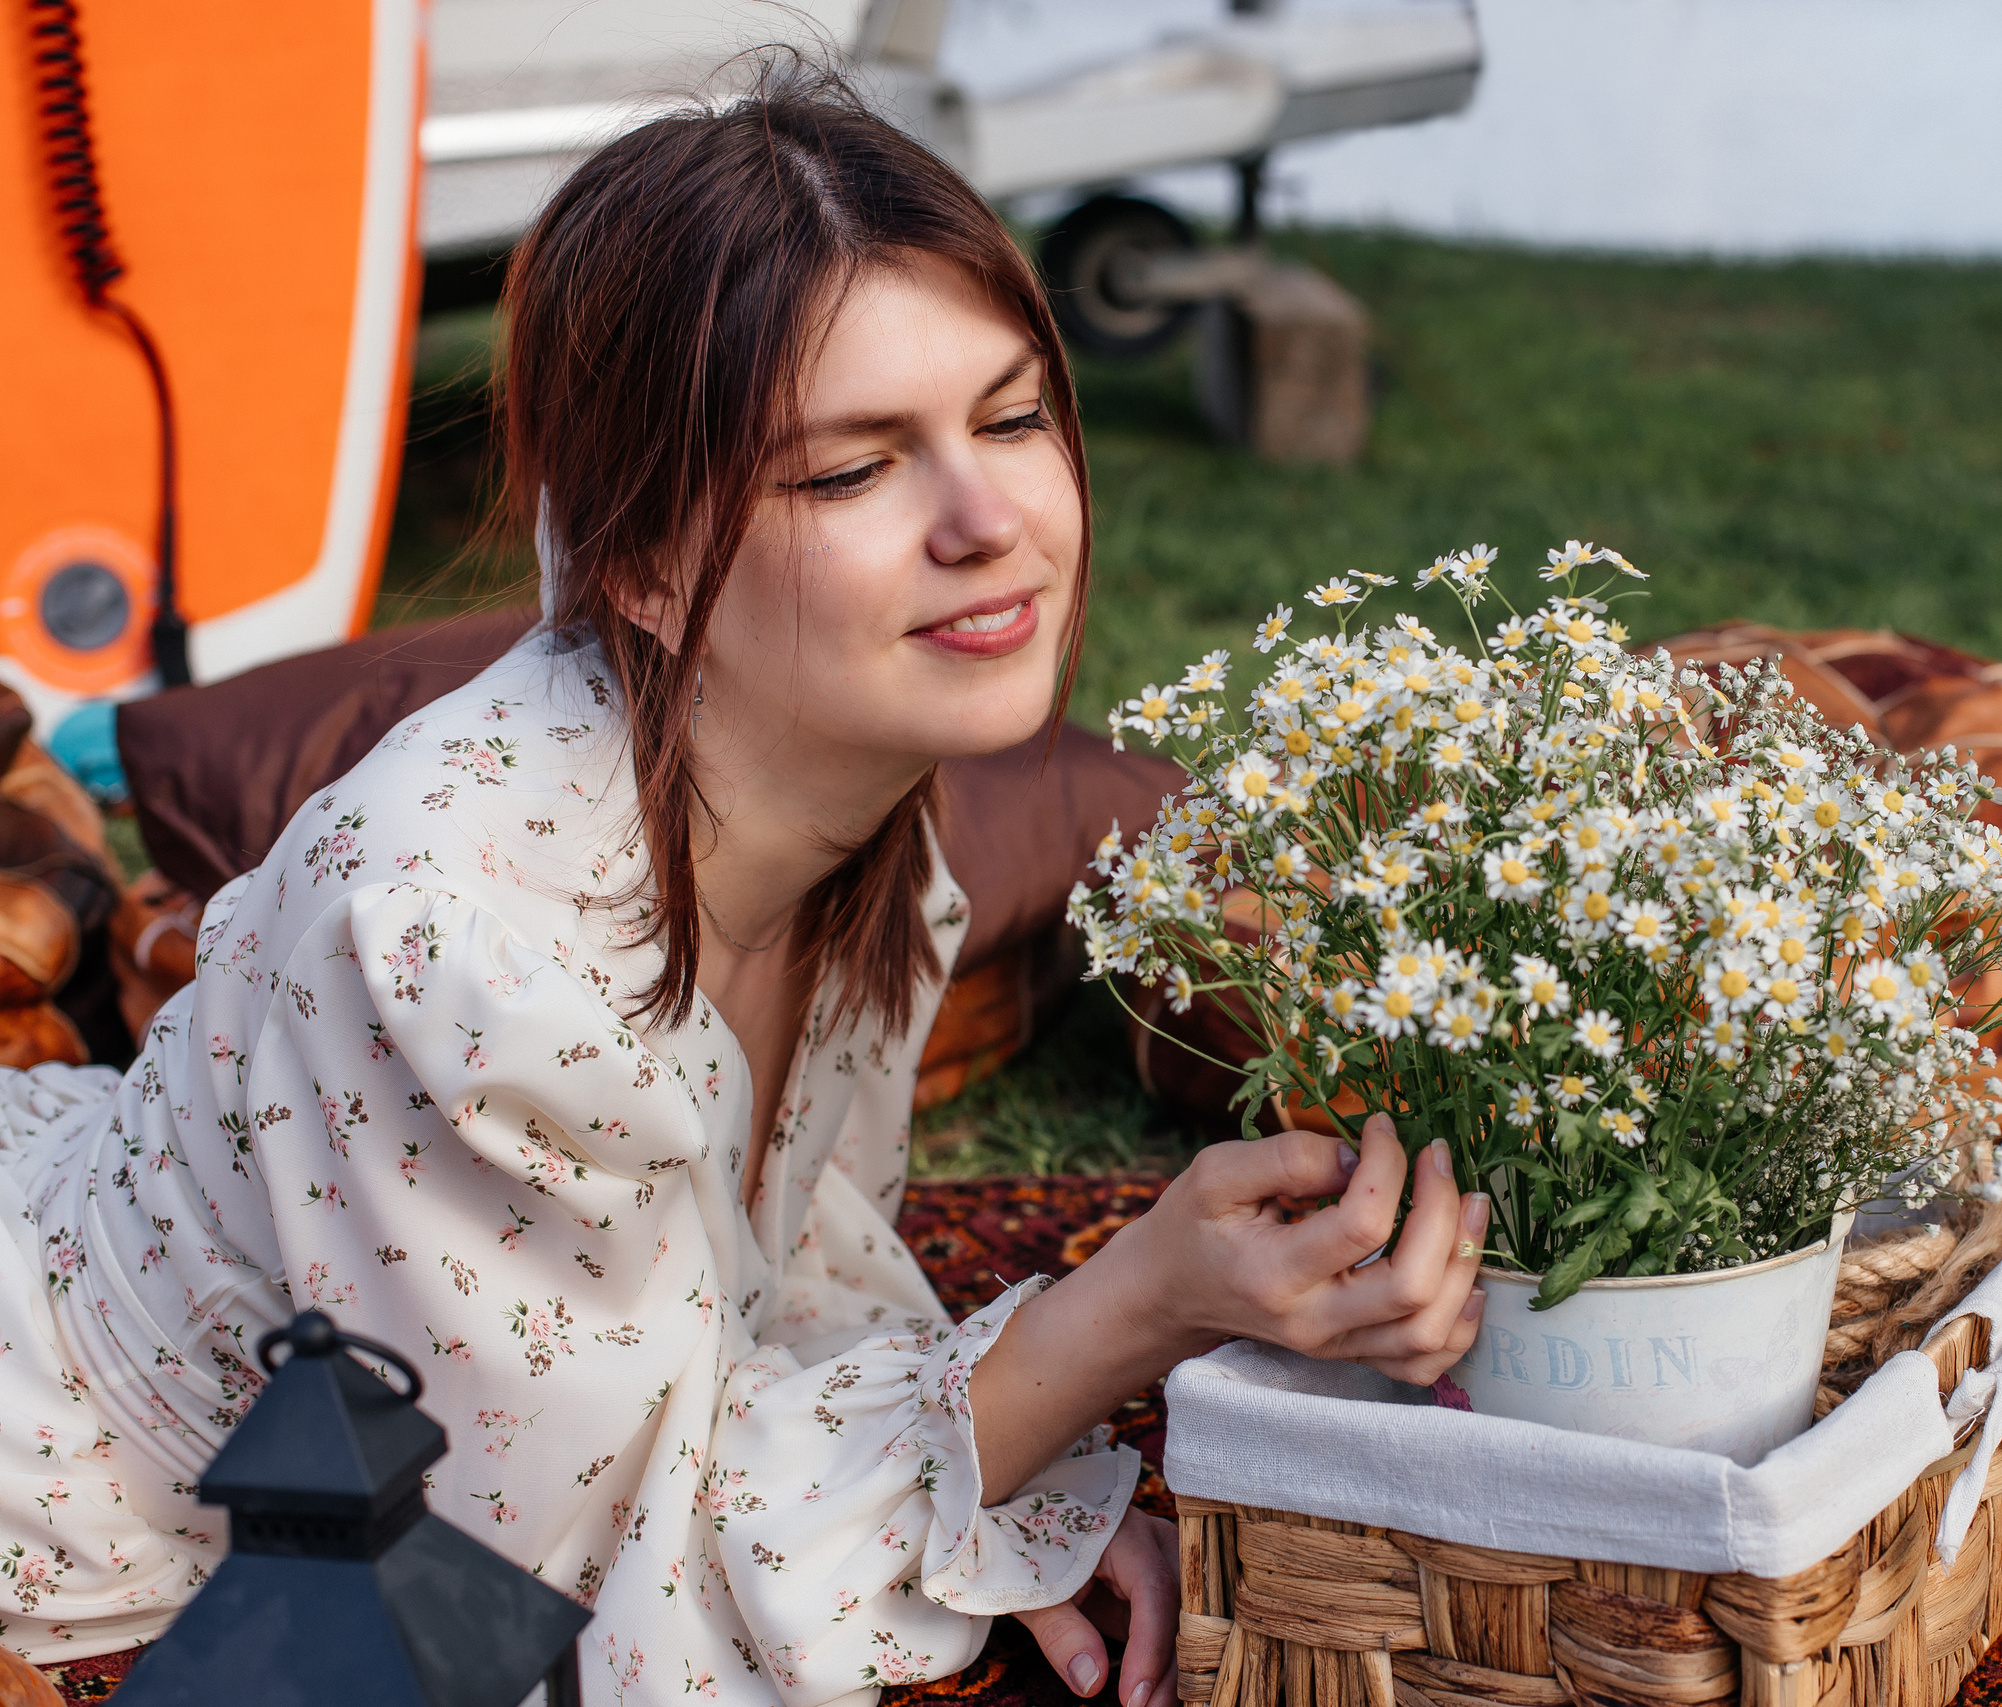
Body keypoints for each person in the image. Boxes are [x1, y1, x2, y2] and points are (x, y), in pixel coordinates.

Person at [0, 65, 1487, 1704]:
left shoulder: (848, 783)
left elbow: (715, 1331)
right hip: (97, 1480)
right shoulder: (462, 950)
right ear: (642, 562)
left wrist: (979, 1490)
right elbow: (535, 1597)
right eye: (852, 471)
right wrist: (1129, 1313)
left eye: (1010, 419)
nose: (990, 521)